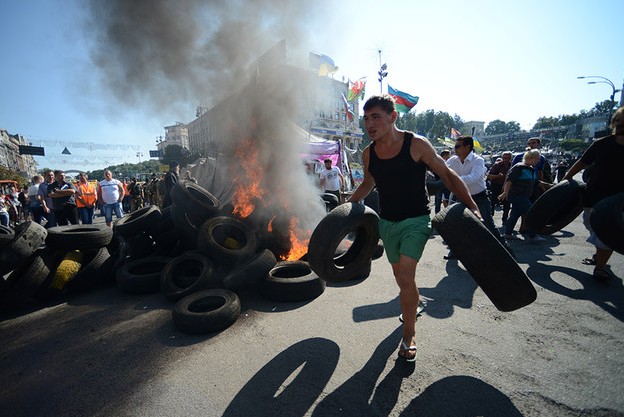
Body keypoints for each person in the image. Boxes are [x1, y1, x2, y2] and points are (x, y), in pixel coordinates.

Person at [346, 95, 481, 362]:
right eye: (366, 118)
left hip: (417, 221)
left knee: (406, 278)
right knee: (402, 279)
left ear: (392, 117)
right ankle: (412, 302)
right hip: (388, 223)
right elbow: (368, 184)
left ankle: (409, 335)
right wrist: (345, 210)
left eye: (376, 117)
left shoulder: (416, 144)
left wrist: (473, 207)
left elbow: (448, 175)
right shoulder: (368, 153)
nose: (369, 124)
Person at [562, 106, 624, 282]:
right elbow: (582, 163)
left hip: (617, 201)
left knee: (607, 231)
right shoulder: (602, 144)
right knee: (591, 225)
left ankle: (600, 267)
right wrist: (566, 180)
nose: (620, 124)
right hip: (593, 194)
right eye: (618, 121)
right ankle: (600, 254)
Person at [445, 136, 513, 259]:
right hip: (461, 197)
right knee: (457, 226)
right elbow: (443, 170)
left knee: (488, 225)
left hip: (479, 198)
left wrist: (453, 180)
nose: (455, 148)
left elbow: (473, 177)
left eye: (458, 146)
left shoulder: (478, 160)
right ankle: (455, 251)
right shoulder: (452, 160)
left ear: (468, 147)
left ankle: (505, 251)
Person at [499, 149, 547, 242]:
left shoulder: (530, 169)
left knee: (514, 214)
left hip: (523, 196)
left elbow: (535, 182)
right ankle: (533, 235)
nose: (538, 161)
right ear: (530, 158)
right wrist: (505, 192)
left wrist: (548, 185)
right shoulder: (519, 167)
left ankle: (508, 233)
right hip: (517, 195)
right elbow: (509, 180)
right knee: (530, 213)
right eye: (537, 159)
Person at [486, 151, 512, 226]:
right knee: (493, 203)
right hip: (496, 186)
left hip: (507, 187)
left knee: (507, 205)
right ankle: (490, 220)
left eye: (508, 158)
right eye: (505, 158)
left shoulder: (512, 165)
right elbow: (489, 176)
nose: (506, 159)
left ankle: (505, 220)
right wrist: (499, 176)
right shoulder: (497, 165)